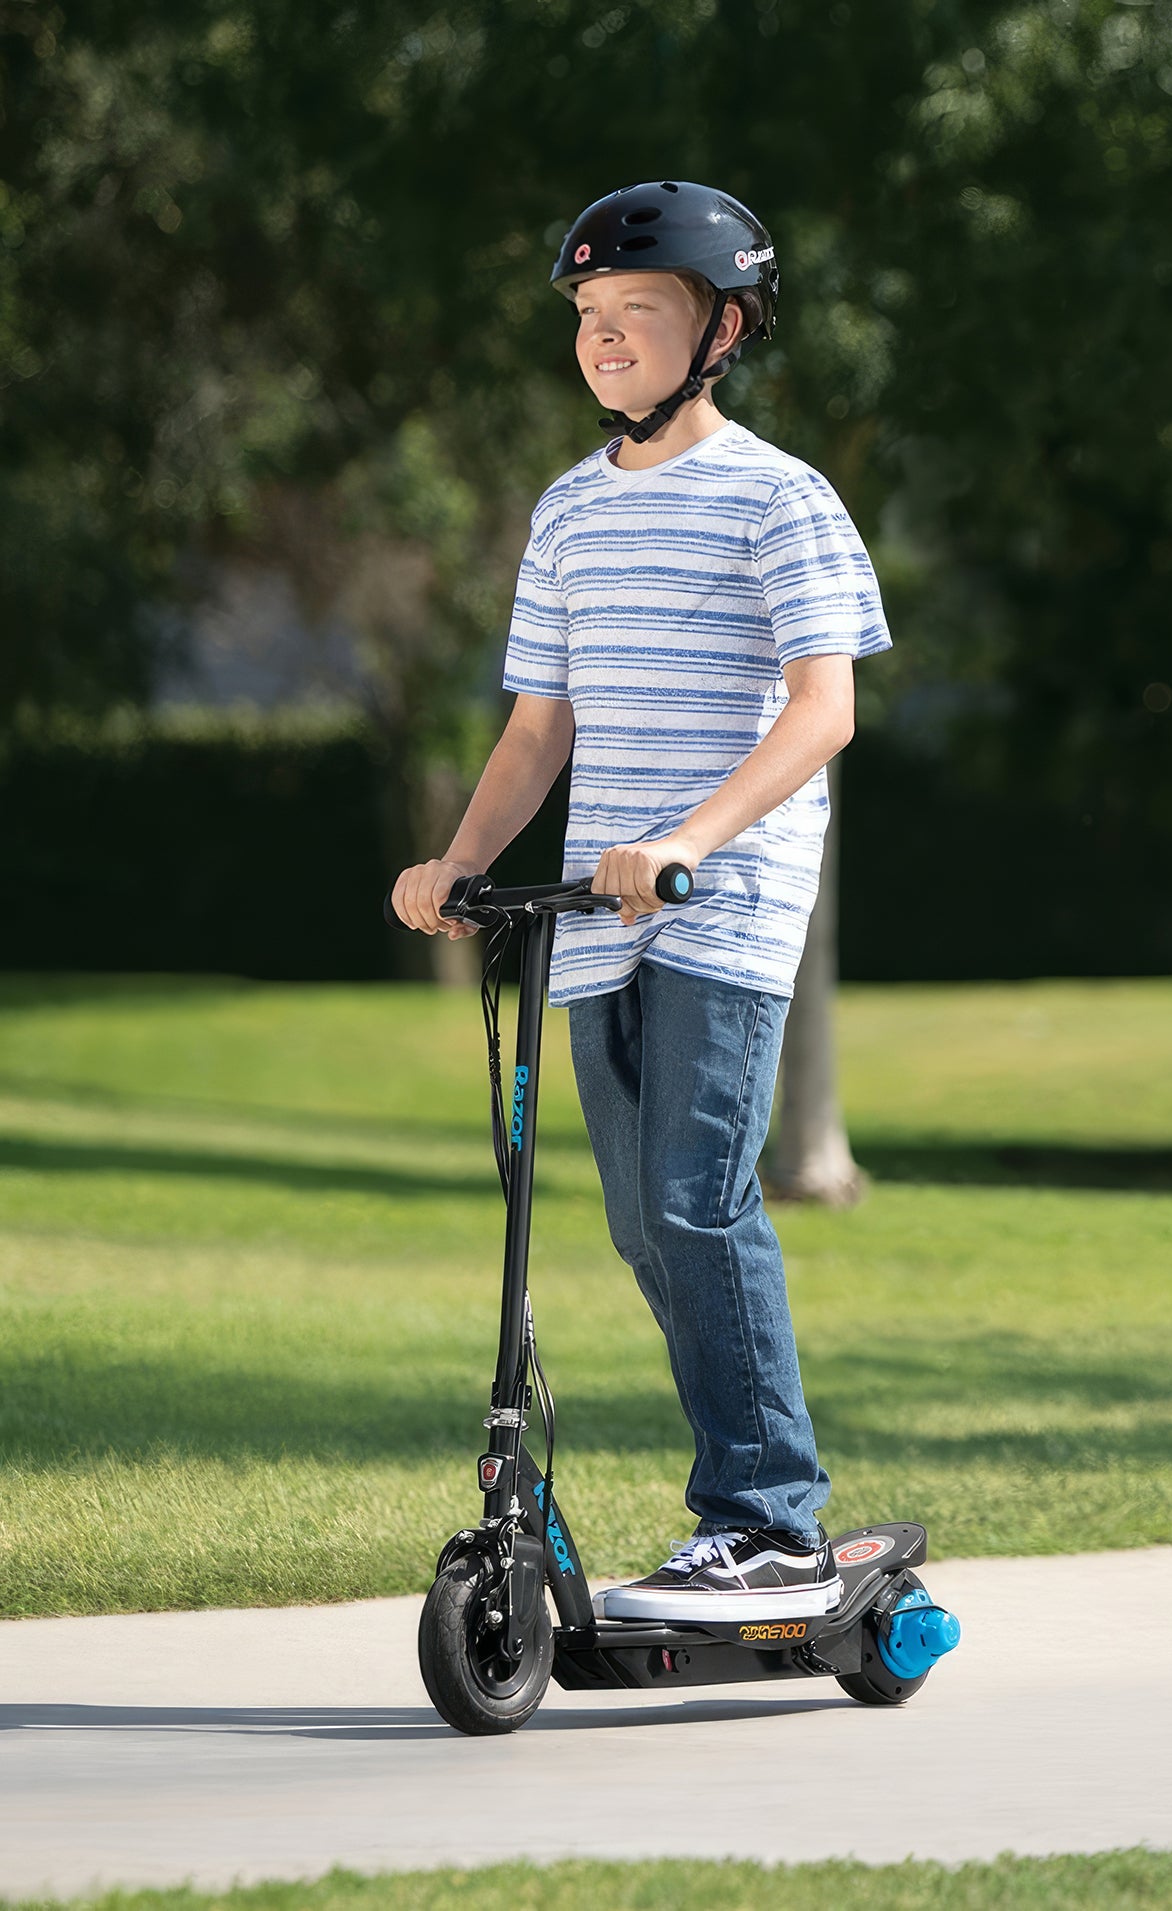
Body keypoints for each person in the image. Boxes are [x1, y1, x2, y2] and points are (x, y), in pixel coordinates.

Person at [390, 181, 892, 1622]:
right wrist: (462, 864)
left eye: (640, 316)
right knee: (640, 1220)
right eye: (590, 320)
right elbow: (539, 726)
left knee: (694, 1197)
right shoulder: (565, 511)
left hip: (719, 907)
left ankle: (769, 1517)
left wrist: (688, 837)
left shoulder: (781, 498)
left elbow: (822, 712)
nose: (606, 343)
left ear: (720, 328)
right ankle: (751, 1510)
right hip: (594, 917)